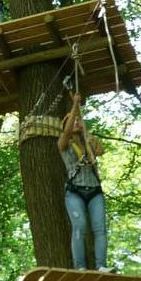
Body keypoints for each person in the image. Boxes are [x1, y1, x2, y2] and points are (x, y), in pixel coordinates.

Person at [57, 92, 109, 271]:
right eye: (72, 121)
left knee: (100, 229)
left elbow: (101, 150)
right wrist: (75, 105)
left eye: (78, 121)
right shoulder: (64, 144)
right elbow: (67, 131)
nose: (76, 122)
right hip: (74, 191)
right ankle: (80, 267)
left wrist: (86, 132)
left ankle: (101, 266)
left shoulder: (88, 143)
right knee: (79, 227)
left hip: (94, 190)